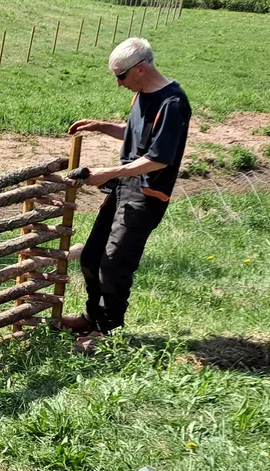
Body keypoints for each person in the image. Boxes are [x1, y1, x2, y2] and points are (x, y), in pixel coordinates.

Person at [60, 37, 191, 352]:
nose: (118, 83)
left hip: (146, 194)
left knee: (115, 263)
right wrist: (101, 126)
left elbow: (159, 157)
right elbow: (135, 132)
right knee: (92, 257)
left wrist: (108, 173)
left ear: (141, 69)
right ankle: (92, 317)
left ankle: (107, 331)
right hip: (124, 188)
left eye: (121, 76)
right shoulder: (142, 94)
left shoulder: (172, 102)